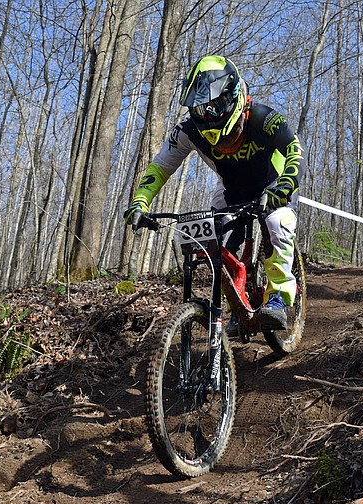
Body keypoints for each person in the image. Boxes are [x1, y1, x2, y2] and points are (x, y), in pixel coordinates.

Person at [124, 54, 305, 331]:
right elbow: (160, 167)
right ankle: (236, 305)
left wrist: (285, 186)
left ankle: (279, 296)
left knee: (276, 223)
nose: (207, 115)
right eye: (199, 110)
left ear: (233, 98)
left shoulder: (264, 119)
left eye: (214, 106)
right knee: (216, 241)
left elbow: (295, 150)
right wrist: (139, 203)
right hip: (231, 190)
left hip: (274, 186)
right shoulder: (188, 132)